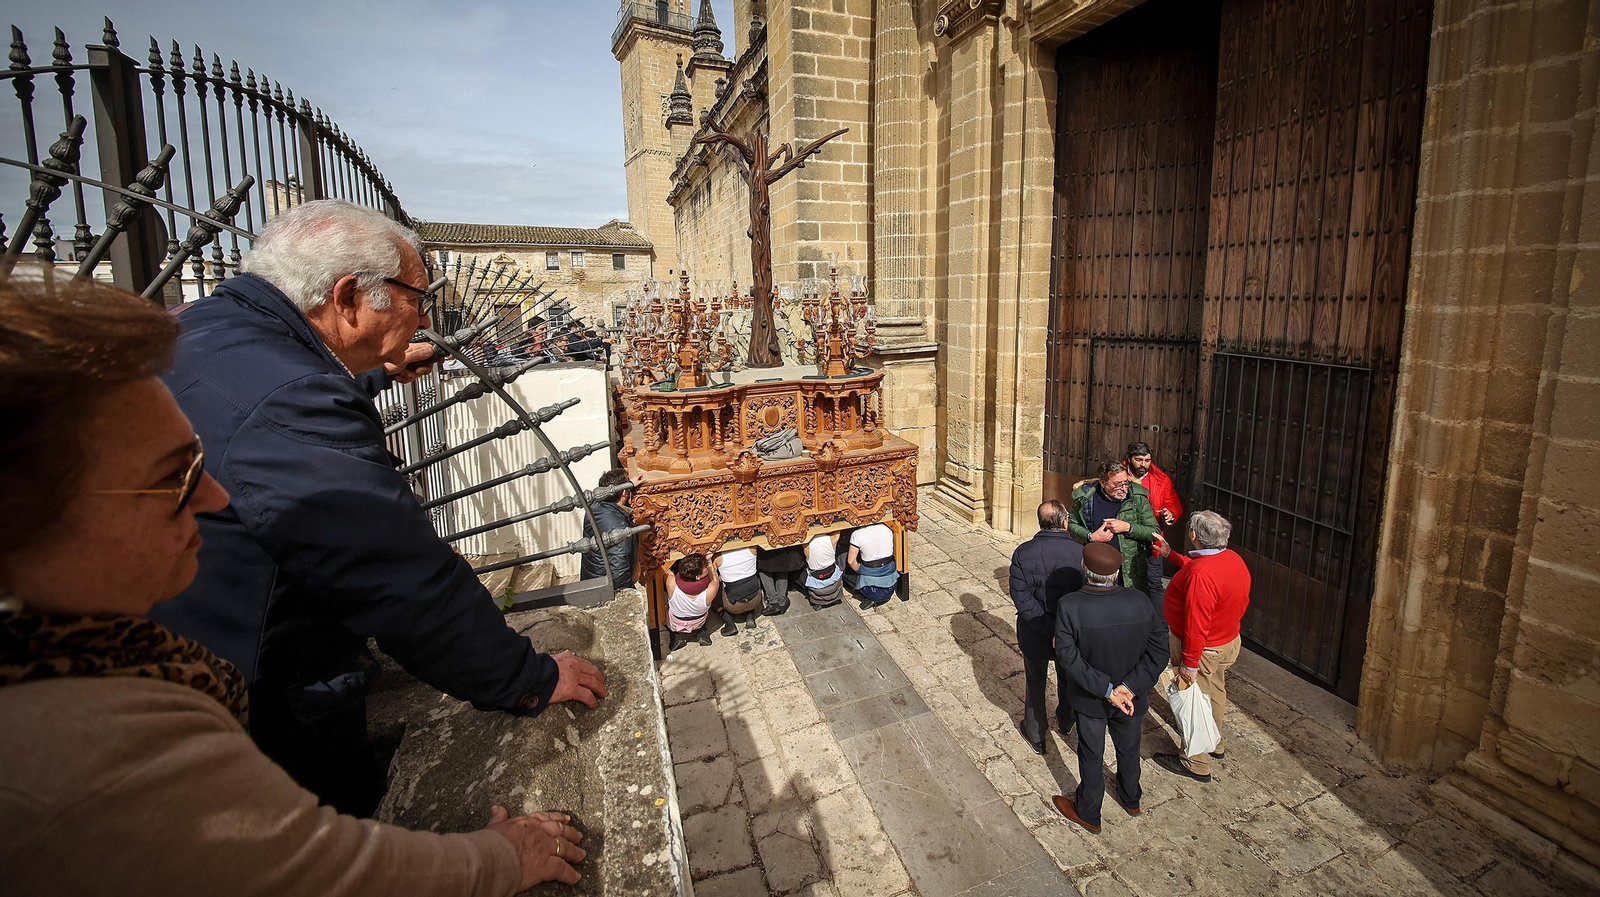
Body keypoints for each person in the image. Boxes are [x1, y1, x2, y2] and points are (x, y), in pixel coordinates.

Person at [0, 267, 586, 895]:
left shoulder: (211, 329)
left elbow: (244, 409)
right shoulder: (85, 750)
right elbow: (320, 871)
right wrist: (500, 856)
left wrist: (374, 377)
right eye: (175, 476)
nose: (215, 496)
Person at [151, 200, 607, 816]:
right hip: (260, 707)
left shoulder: (204, 327)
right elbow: (401, 576)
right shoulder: (291, 400)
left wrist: (372, 374)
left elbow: (255, 416)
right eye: (418, 298)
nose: (424, 318)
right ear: (348, 297)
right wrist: (527, 679)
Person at [1050, 543, 1170, 834]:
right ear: (1116, 574)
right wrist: (1129, 688)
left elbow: (1067, 657)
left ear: (1084, 569)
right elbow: (1159, 652)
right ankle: (1131, 798)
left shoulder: (1071, 605)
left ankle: (1089, 811)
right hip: (1131, 698)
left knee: (1091, 754)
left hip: (1091, 699)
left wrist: (1108, 690)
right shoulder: (1140, 601)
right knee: (1129, 748)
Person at [1152, 510, 1251, 783]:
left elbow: (1197, 621)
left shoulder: (1201, 576)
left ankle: (1196, 762)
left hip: (1203, 648)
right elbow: (1201, 569)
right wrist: (1172, 555)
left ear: (1193, 536)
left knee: (1195, 699)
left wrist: (1189, 664)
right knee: (1215, 691)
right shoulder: (1231, 559)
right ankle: (1214, 743)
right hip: (1226, 641)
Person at [1007, 500, 1085, 754]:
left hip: (1035, 632)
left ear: (1040, 522)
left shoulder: (1023, 552)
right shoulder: (1081, 553)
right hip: (1069, 635)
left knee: (1035, 681)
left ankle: (1036, 731)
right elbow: (1083, 597)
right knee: (1068, 677)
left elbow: (1021, 597)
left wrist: (1046, 629)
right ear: (1065, 522)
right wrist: (1061, 632)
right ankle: (1066, 720)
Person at [1068, 460, 1160, 597]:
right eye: (1117, 484)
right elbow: (1071, 524)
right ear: (1103, 483)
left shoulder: (1138, 498)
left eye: (1126, 482)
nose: (1123, 488)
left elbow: (1154, 532)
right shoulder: (1085, 499)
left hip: (1129, 572)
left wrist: (1129, 527)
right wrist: (1091, 537)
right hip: (1096, 571)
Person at [1125, 441, 1183, 609]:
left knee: (1155, 584)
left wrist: (1170, 514)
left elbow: (1173, 504)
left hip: (1152, 542)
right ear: (1129, 458)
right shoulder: (1117, 474)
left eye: (1147, 460)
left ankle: (1158, 628)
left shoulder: (1161, 480)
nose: (1144, 464)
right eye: (1139, 459)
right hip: (1125, 537)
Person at [581, 468, 639, 590]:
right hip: (609, 590)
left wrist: (630, 484)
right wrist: (629, 588)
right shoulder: (620, 528)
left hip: (591, 580)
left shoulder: (594, 507)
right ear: (624, 493)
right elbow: (619, 571)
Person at [666, 554, 720, 650]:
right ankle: (701, 632)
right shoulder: (710, 591)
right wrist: (709, 561)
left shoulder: (671, 584)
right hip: (698, 622)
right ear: (698, 577)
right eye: (704, 567)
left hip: (675, 623)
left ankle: (675, 636)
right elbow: (715, 579)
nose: (706, 567)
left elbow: (667, 571)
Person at [847, 522, 900, 609]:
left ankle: (870, 597)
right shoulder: (888, 528)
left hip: (870, 589)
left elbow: (851, 561)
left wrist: (859, 570)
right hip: (890, 586)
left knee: (846, 574)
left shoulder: (857, 534)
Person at [714, 546, 764, 632]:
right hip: (756, 600)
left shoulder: (718, 557)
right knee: (750, 580)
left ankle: (729, 622)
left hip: (734, 606)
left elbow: (713, 580)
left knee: (713, 591)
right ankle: (750, 614)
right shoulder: (752, 548)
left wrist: (722, 577)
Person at [756, 543, 805, 616]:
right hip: (781, 544)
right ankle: (782, 602)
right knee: (782, 566)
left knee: (764, 569)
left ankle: (773, 603)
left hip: (765, 546)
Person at [803, 530, 845, 609]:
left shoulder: (807, 544)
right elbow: (838, 530)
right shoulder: (832, 539)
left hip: (817, 583)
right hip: (833, 578)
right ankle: (835, 599)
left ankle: (818, 602)